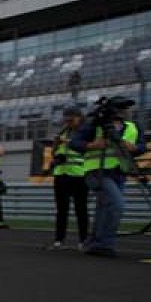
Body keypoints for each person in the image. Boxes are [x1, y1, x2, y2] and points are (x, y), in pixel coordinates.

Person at [70, 96, 145, 257]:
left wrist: (135, 148)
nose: (124, 111)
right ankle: (104, 244)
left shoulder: (133, 126)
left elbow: (142, 147)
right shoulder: (95, 125)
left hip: (119, 173)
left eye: (126, 108)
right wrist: (92, 145)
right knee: (116, 205)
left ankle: (93, 242)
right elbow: (74, 143)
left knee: (104, 208)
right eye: (121, 107)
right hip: (97, 172)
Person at [49, 106, 89, 249]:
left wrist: (68, 143)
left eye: (71, 120)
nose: (69, 122)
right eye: (66, 120)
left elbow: (87, 148)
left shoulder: (85, 131)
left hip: (79, 174)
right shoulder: (63, 131)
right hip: (61, 174)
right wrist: (56, 145)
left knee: (81, 209)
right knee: (61, 209)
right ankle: (59, 240)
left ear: (79, 117)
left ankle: (83, 240)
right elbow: (54, 152)